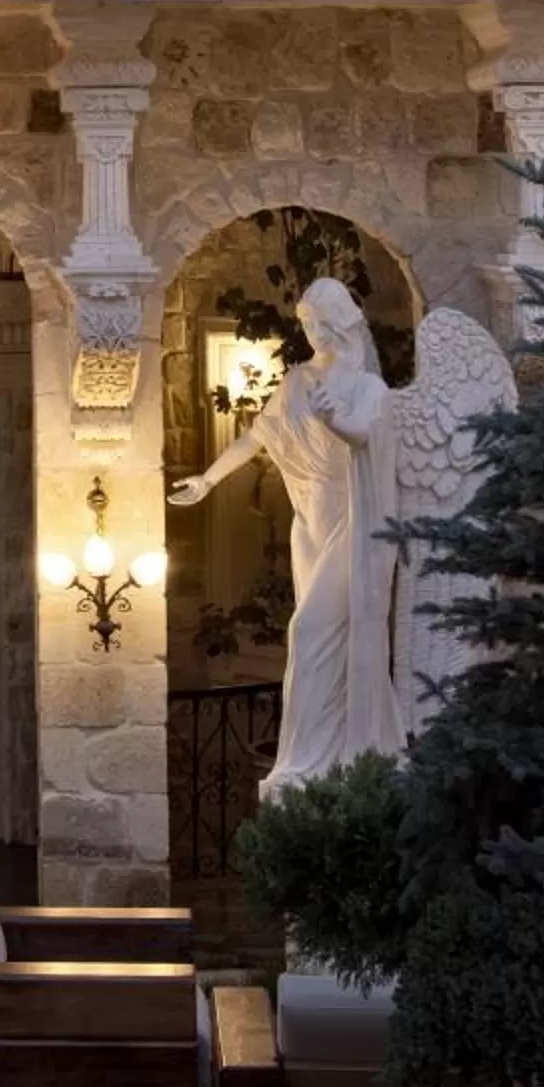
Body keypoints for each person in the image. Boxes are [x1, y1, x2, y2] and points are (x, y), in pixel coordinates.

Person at [170, 276, 404, 793]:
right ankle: (312, 756)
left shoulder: (369, 389)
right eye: (307, 324)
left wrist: (332, 422)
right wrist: (208, 478)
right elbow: (257, 435)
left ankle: (325, 755)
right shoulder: (297, 381)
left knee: (310, 630)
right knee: (314, 638)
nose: (314, 332)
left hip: (352, 523)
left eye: (320, 322)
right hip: (310, 526)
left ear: (341, 323)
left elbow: (366, 438)